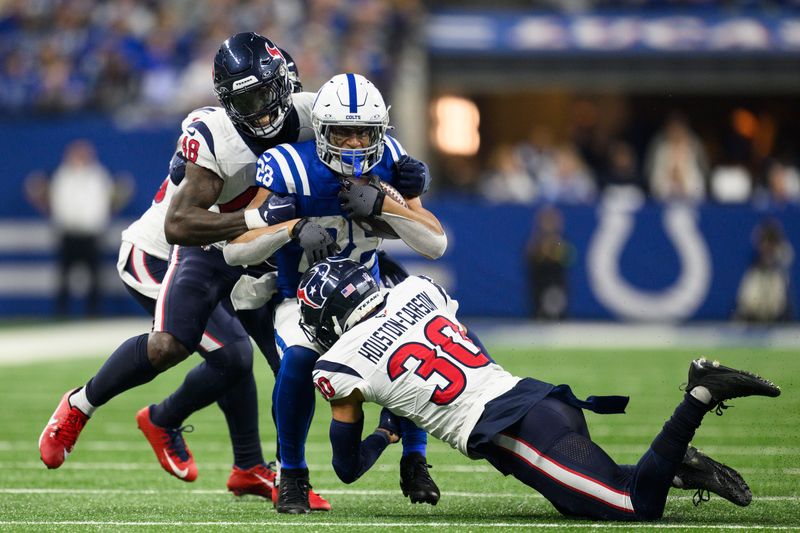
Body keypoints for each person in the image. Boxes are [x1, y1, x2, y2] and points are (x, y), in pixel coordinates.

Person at [38, 32, 327, 509]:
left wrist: (397, 173)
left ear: (285, 83)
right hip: (162, 251)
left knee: (288, 360)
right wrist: (263, 217)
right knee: (206, 350)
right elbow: (179, 224)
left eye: (263, 94)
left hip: (240, 251)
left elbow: (361, 133)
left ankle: (252, 468)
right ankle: (84, 406)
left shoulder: (310, 114)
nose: (258, 110)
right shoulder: (217, 135)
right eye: (244, 100)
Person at [299, 257, 782, 521]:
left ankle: (699, 395)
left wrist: (387, 432)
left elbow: (346, 468)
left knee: (632, 503)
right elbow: (468, 350)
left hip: (513, 432)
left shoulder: (340, 363)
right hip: (540, 399)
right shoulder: (415, 290)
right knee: (583, 502)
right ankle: (678, 468)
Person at [223, 73, 445, 513]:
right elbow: (235, 250)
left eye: (364, 131)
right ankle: (292, 474)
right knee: (298, 363)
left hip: (370, 294)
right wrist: (289, 226)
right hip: (303, 302)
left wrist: (386, 206)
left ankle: (415, 458)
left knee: (416, 348)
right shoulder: (288, 165)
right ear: (321, 130)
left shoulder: (391, 161)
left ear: (381, 131)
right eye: (343, 131)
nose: (354, 141)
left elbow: (434, 243)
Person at [24, 139, 130, 316]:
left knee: (94, 277)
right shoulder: (60, 174)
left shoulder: (99, 175)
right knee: (64, 276)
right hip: (68, 232)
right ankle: (61, 313)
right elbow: (34, 187)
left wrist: (107, 214)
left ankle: (93, 314)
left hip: (91, 233)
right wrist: (48, 210)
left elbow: (121, 190)